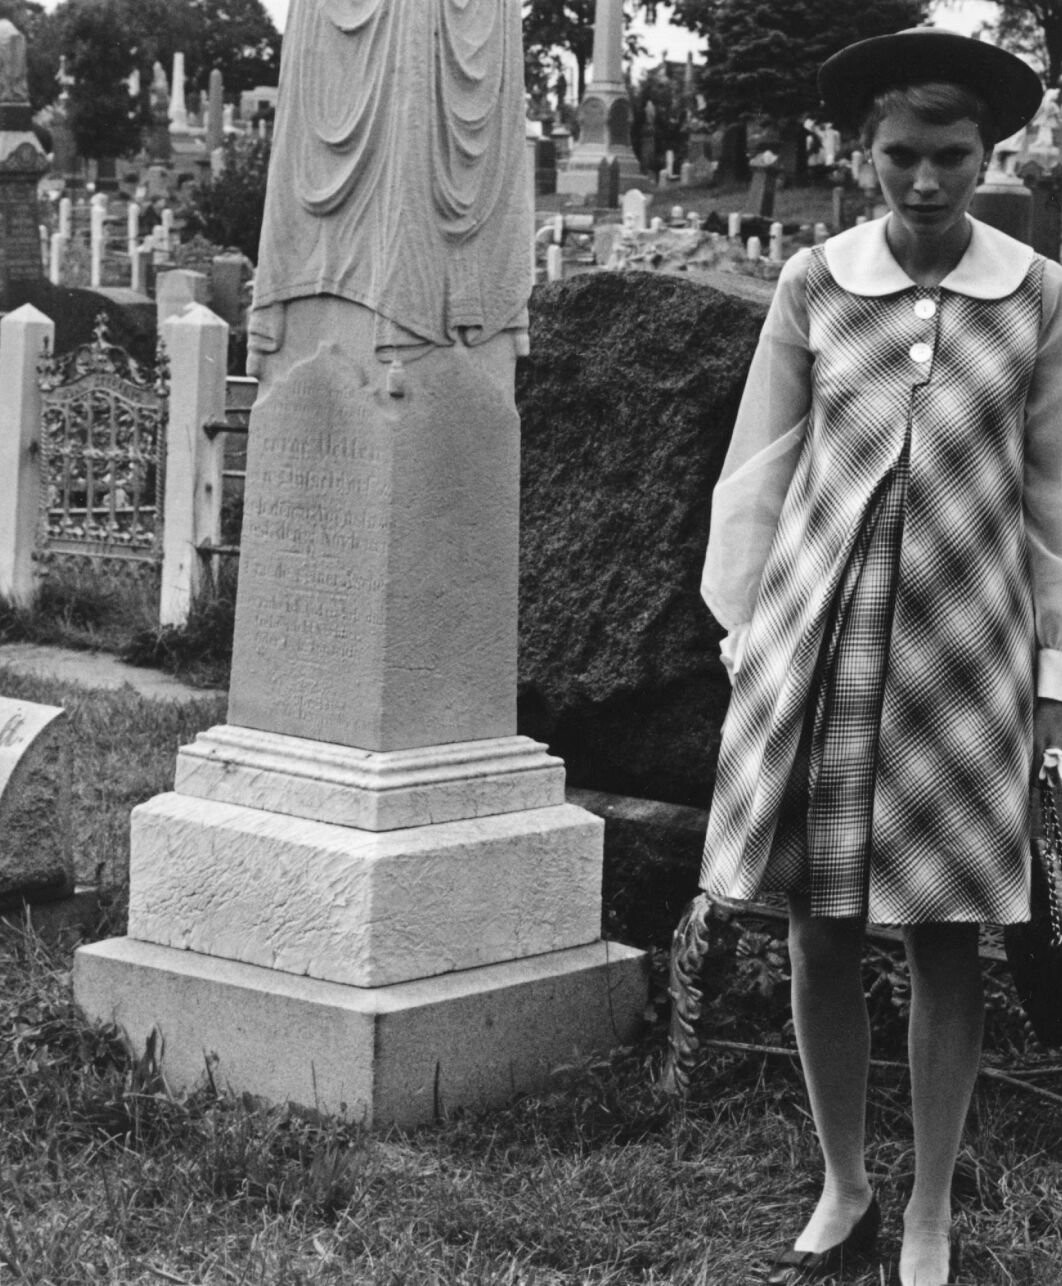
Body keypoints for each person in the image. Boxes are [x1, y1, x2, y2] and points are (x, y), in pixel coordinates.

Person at [697, 28, 1061, 1286]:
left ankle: (929, 1209)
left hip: (967, 655)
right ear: (863, 153)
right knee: (820, 925)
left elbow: (1054, 497)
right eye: (901, 154)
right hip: (824, 639)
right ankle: (845, 1180)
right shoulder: (815, 282)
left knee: (946, 933)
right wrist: (748, 633)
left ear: (986, 152)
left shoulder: (1038, 295)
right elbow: (760, 466)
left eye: (952, 154)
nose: (926, 179)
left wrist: (1054, 674)